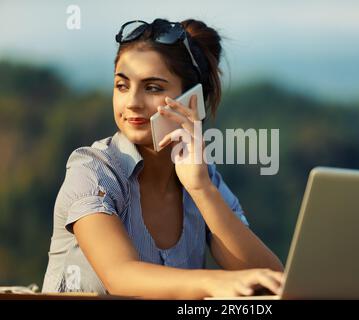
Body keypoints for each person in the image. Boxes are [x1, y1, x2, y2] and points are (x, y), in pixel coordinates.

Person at [42, 18, 284, 299]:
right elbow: (120, 275)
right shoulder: (93, 170)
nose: (132, 102)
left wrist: (201, 189)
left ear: (192, 101)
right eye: (122, 86)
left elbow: (270, 280)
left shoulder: (205, 178)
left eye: (153, 88)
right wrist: (212, 283)